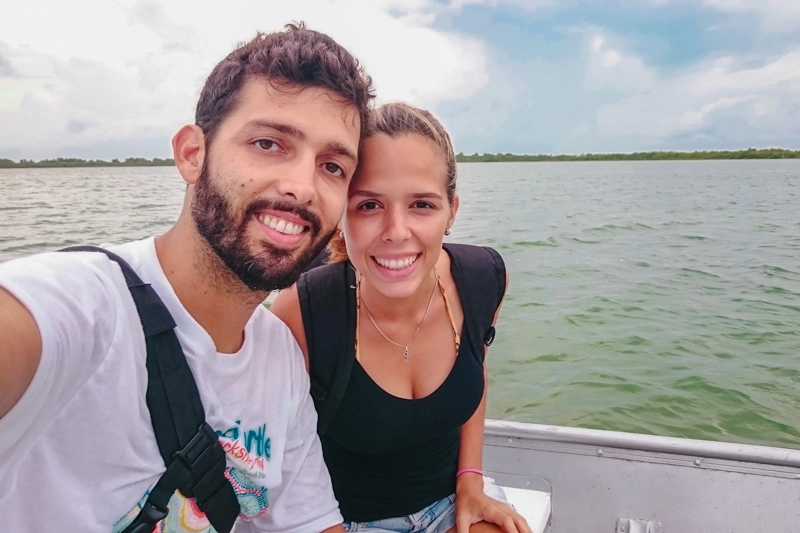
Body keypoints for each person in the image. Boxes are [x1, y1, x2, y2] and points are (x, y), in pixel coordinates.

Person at [0, 24, 374, 532]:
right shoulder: (83, 306)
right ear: (192, 154)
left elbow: (309, 522)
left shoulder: (279, 359)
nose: (302, 186)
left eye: (332, 166)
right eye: (269, 143)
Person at [271, 103, 532, 533]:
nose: (396, 231)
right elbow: (278, 463)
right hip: (342, 520)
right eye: (369, 205)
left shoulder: (483, 279)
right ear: (341, 216)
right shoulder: (303, 312)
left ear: (452, 211)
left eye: (422, 205)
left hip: (453, 500)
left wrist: (471, 481)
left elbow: (475, 372)